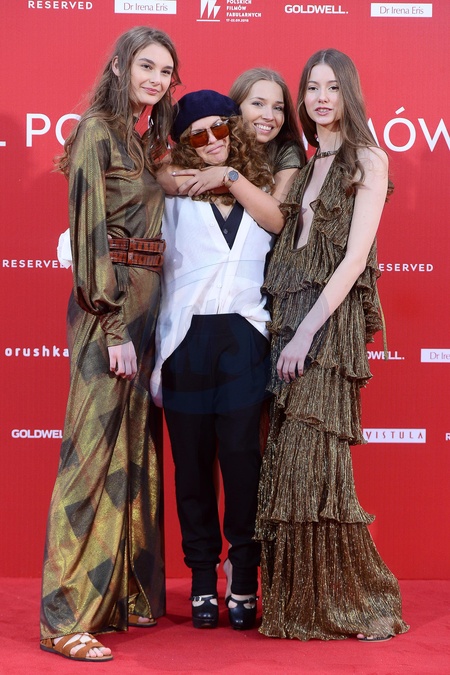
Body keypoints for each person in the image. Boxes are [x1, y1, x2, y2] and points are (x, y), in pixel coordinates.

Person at [255, 49, 409, 642]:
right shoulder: (307, 160)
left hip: (324, 325)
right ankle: (295, 601)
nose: (321, 98)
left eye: (332, 87)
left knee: (312, 463)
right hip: (285, 316)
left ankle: (343, 600)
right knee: (285, 463)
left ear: (350, 93)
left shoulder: (368, 158)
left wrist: (306, 332)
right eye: (312, 88)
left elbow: (353, 260)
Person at [39, 26, 180, 662]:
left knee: (133, 450)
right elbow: (91, 235)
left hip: (145, 312)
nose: (156, 78)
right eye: (146, 66)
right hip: (110, 311)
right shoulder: (95, 130)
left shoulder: (144, 139)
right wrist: (114, 325)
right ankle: (64, 618)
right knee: (91, 455)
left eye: (165, 71)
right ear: (121, 66)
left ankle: (121, 593)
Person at [150, 90, 284, 631]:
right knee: (191, 467)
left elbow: (278, 222)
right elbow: (151, 175)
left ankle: (244, 575)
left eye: (220, 129)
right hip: (185, 342)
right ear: (183, 142)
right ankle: (203, 576)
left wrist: (227, 176)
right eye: (197, 135)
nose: (211, 142)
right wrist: (175, 176)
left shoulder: (259, 189)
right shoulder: (170, 197)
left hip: (246, 340)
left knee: (243, 463)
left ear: (234, 130)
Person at [229, 67, 306, 201]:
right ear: (236, 105)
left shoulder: (287, 151)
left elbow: (278, 212)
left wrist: (227, 177)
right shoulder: (215, 143)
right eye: (258, 104)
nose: (269, 116)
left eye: (277, 108)